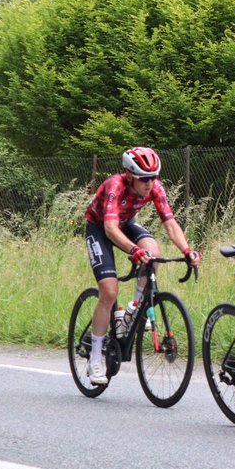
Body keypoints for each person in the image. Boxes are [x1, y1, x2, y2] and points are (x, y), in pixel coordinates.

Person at [83, 146, 201, 385]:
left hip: (125, 224)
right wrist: (133, 250)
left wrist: (187, 250)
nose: (150, 183)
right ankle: (95, 358)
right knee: (109, 291)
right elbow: (109, 229)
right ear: (129, 175)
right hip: (100, 227)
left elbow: (170, 224)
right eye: (144, 178)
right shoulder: (115, 185)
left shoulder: (155, 188)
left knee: (154, 253)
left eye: (154, 177)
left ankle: (133, 308)